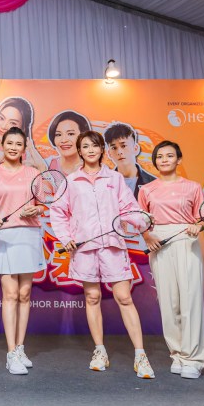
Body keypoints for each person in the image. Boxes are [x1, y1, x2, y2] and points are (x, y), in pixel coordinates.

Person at [49, 131, 155, 379]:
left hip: (113, 246)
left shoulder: (115, 178)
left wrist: (142, 220)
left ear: (101, 149)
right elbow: (58, 212)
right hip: (84, 248)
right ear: (80, 150)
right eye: (85, 146)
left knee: (124, 297)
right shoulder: (71, 181)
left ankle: (141, 356)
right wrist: (66, 237)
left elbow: (128, 207)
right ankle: (100, 351)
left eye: (95, 145)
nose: (90, 150)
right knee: (92, 297)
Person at [0, 127, 46, 375]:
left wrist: (36, 210)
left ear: (24, 148)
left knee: (25, 293)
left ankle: (20, 347)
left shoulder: (34, 174)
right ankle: (10, 353)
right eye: (10, 143)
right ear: (2, 145)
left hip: (29, 235)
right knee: (10, 293)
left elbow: (42, 205)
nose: (14, 147)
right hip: (4, 236)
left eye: (19, 144)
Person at [139, 141, 204, 380]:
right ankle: (177, 355)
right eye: (159, 156)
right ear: (154, 162)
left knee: (190, 300)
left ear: (179, 159)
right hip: (159, 243)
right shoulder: (146, 190)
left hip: (186, 241)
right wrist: (147, 237)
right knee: (169, 303)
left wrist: (198, 226)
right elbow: (141, 221)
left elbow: (201, 220)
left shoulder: (193, 187)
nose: (164, 160)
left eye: (169, 156)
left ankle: (193, 359)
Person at [0, 97, 47, 172]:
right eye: (1, 118)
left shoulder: (31, 158)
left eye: (13, 123)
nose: (3, 126)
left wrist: (41, 166)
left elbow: (47, 177)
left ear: (23, 128)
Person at [104, 121, 156, 198]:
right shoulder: (103, 182)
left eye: (123, 146)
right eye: (114, 148)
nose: (119, 152)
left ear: (136, 148)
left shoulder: (153, 183)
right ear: (109, 153)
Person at [46, 110, 90, 176]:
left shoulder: (93, 169)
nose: (64, 140)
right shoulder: (46, 165)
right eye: (58, 134)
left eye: (70, 134)